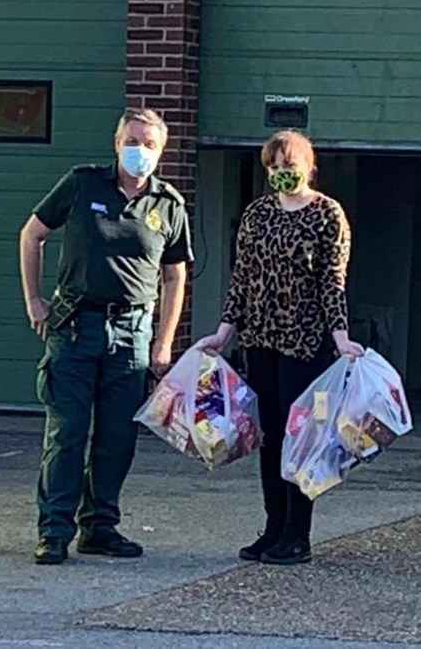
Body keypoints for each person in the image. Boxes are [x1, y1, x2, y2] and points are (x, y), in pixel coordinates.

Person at [19, 108, 194, 565]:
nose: (140, 151)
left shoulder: (169, 205)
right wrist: (34, 301)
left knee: (117, 438)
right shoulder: (82, 184)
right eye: (132, 141)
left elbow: (175, 277)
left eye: (150, 144)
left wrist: (163, 343)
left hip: (132, 333)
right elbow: (31, 235)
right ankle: (54, 531)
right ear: (117, 143)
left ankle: (99, 527)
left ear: (162, 150)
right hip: (76, 327)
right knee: (67, 434)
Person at [197, 129, 363, 566]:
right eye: (273, 168)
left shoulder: (328, 214)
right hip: (261, 338)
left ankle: (297, 533)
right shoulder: (257, 215)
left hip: (305, 342)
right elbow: (242, 279)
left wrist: (339, 335)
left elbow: (333, 281)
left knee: (301, 437)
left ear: (307, 166)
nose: (280, 175)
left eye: (288, 166)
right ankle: (273, 526)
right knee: (270, 436)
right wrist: (224, 331)